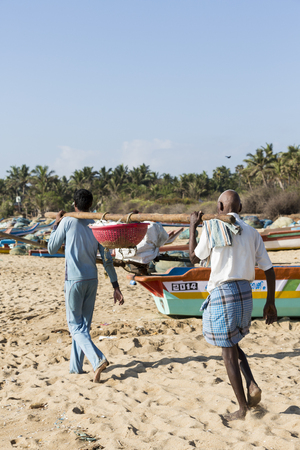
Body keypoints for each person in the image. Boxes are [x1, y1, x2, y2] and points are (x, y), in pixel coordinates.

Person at [189, 190, 277, 421]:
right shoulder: (251, 231)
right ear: (240, 207)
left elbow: (193, 258)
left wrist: (192, 227)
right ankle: (251, 384)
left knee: (227, 353)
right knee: (233, 342)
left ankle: (241, 409)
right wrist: (270, 302)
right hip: (245, 293)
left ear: (219, 207)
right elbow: (269, 269)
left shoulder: (211, 227)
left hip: (224, 293)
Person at [48, 189, 124, 382]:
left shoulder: (67, 221)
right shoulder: (96, 224)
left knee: (75, 326)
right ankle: (75, 368)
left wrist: (56, 223)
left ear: (75, 205)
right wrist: (116, 286)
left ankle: (97, 359)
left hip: (74, 280)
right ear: (90, 205)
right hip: (92, 280)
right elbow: (107, 260)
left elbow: (51, 248)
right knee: (83, 327)